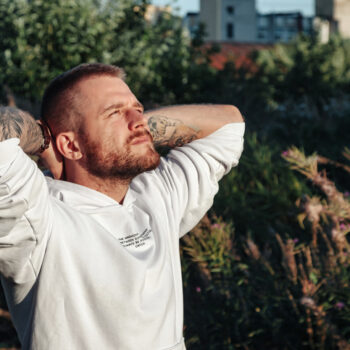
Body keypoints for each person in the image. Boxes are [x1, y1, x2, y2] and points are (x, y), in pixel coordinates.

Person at [0, 63, 245, 350]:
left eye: (137, 109)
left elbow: (229, 123)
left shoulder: (156, 194)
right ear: (70, 146)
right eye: (114, 113)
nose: (137, 119)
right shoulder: (38, 216)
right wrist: (44, 140)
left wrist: (134, 128)